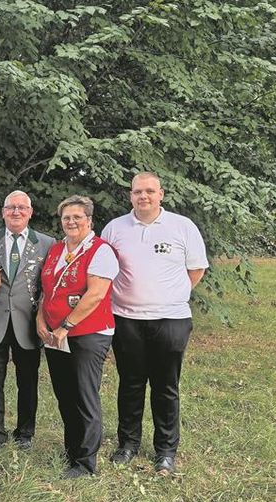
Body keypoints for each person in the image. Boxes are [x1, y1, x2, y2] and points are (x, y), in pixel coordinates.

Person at [101, 172, 209, 473]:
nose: (143, 196)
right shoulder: (114, 228)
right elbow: (103, 268)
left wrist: (171, 295)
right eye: (138, 191)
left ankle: (165, 450)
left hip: (171, 319)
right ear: (130, 195)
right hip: (126, 318)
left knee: (165, 386)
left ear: (161, 194)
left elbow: (196, 269)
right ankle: (128, 444)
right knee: (131, 384)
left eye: (149, 191)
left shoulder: (182, 226)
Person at [36, 195, 119, 479]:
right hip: (55, 334)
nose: (71, 222)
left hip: (87, 333)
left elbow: (95, 294)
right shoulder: (57, 249)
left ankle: (85, 462)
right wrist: (40, 320)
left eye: (77, 217)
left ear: (89, 220)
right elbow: (47, 289)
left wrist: (65, 326)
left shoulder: (101, 250)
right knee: (65, 394)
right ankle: (72, 449)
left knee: (84, 395)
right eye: (66, 218)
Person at [0, 190, 54, 457]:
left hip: (28, 322)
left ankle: (25, 432)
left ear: (30, 212)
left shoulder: (46, 243)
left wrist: (44, 317)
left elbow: (49, 284)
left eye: (22, 208)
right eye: (11, 207)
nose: (16, 212)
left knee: (28, 380)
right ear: (2, 212)